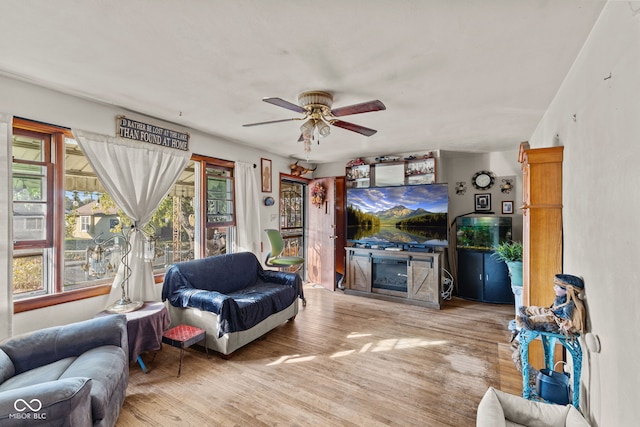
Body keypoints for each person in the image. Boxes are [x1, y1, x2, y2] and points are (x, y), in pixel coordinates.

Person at [516, 274, 586, 337]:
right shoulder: (561, 299)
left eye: (557, 287)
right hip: (552, 312)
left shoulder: (569, 304)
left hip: (556, 320)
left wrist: (565, 324)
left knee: (540, 318)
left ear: (568, 291)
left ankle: (526, 322)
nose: (554, 288)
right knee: (539, 309)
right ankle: (527, 311)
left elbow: (567, 318)